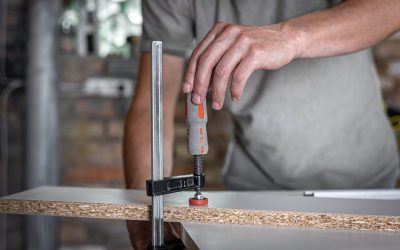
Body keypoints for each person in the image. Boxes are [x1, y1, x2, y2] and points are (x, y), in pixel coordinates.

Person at [123, 0, 400, 248]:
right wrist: (146, 218)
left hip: (362, 184)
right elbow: (152, 104)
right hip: (256, 188)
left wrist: (291, 37)